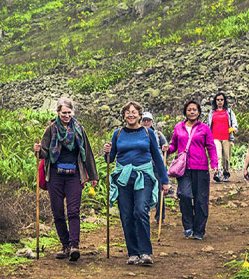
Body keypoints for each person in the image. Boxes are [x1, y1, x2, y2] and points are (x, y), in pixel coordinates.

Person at [102, 101, 169, 266]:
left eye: (134, 112)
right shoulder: (117, 133)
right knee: (126, 214)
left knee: (140, 210)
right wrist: (107, 152)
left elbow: (157, 157)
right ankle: (133, 253)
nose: (131, 115)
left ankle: (145, 252)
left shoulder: (148, 133)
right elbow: (110, 159)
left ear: (140, 115)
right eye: (128, 112)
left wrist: (164, 180)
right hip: (123, 177)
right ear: (123, 115)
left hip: (144, 176)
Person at [34, 97, 98, 261]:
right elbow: (45, 153)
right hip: (55, 174)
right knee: (57, 212)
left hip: (74, 175)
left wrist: (93, 176)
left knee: (73, 211)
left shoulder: (79, 129)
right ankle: (65, 245)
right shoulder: (50, 129)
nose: (66, 116)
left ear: (72, 112)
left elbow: (87, 153)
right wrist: (38, 151)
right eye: (64, 113)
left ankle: (74, 245)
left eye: (69, 113)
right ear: (58, 112)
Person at [168, 100, 218, 240]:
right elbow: (173, 146)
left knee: (201, 200)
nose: (192, 112)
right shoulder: (178, 127)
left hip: (201, 168)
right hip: (183, 169)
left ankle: (199, 230)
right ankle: (188, 226)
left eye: (194, 110)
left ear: (198, 112)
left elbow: (211, 147)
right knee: (184, 195)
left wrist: (214, 164)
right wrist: (168, 149)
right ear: (185, 112)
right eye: (189, 109)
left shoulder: (204, 128)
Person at [141, 111, 169, 223]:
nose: (146, 122)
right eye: (144, 120)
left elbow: (166, 146)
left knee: (159, 191)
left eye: (148, 120)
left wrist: (166, 147)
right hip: (144, 167)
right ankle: (144, 214)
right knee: (144, 192)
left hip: (157, 166)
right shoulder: (139, 133)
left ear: (152, 122)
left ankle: (160, 216)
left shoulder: (158, 134)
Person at [206, 92, 239, 182]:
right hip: (215, 137)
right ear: (215, 101)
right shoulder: (212, 112)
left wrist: (235, 128)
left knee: (226, 157)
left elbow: (234, 122)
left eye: (221, 100)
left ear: (224, 101)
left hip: (227, 137)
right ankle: (219, 173)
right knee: (218, 156)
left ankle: (226, 173)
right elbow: (209, 124)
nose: (220, 101)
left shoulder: (228, 111)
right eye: (218, 100)